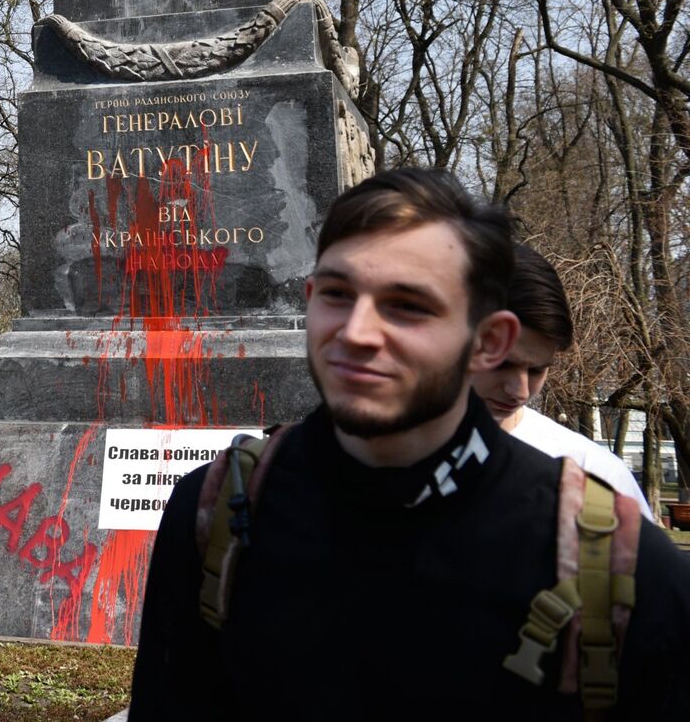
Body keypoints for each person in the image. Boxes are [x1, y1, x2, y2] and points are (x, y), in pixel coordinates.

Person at [129, 168, 690, 719]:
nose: (355, 333)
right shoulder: (215, 516)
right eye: (337, 293)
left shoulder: (620, 564)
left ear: (489, 340)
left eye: (408, 306)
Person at [474, 242, 652, 518]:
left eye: (536, 370)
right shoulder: (387, 465)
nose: (519, 391)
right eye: (500, 364)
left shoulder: (595, 475)